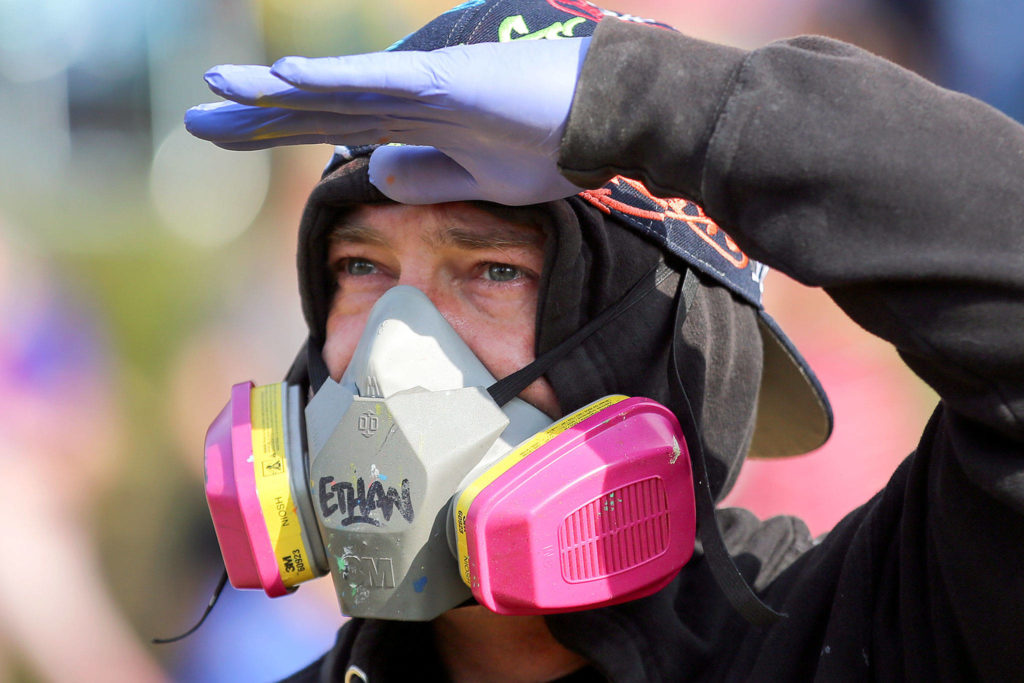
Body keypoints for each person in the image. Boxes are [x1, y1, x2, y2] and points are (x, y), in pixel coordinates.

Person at [185, 0, 1024, 680]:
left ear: (655, 337)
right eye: (360, 265)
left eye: (493, 270)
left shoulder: (861, 629)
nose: (390, 350)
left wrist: (638, 99)